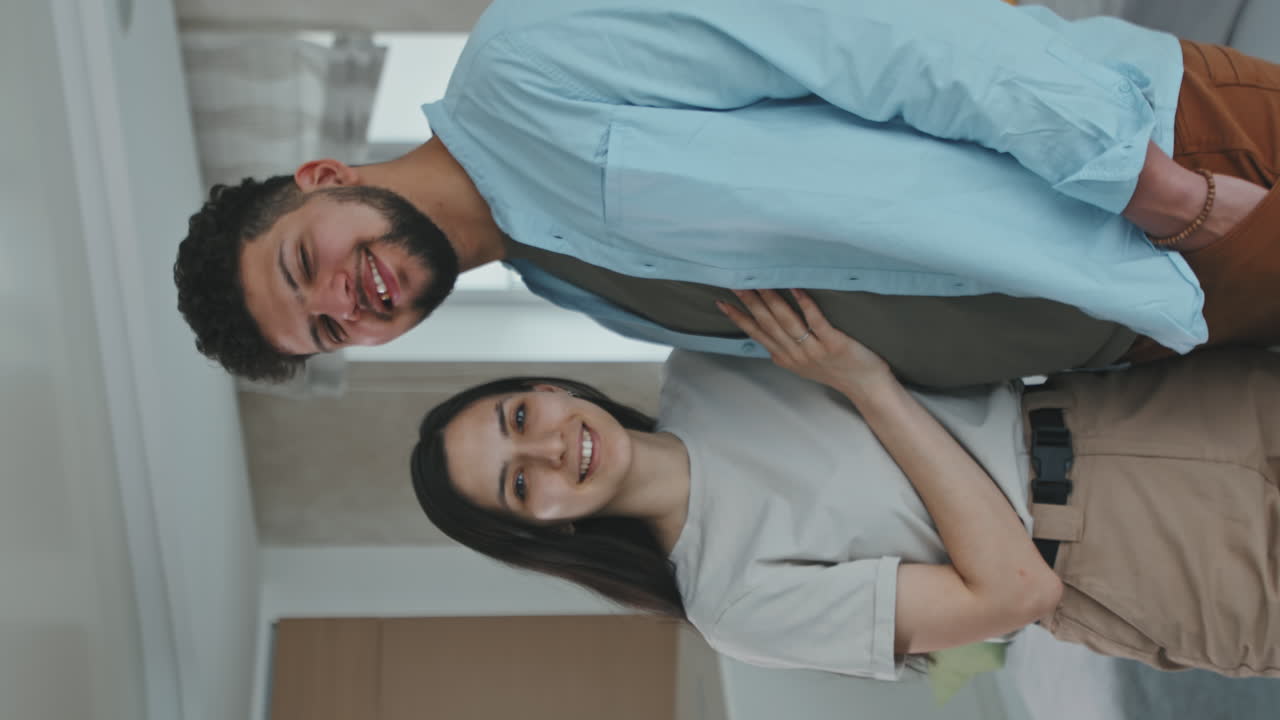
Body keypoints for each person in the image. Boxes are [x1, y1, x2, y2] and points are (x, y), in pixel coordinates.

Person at [174, 0, 1280, 386]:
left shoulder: (525, 60)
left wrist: (1155, 190)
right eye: (324, 332)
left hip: (1165, 172)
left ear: (323, 179)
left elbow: (881, 37)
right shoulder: (564, 286)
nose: (345, 298)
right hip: (1139, 323)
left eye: (302, 264)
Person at [411, 288, 1280, 679]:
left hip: (1131, 406)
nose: (552, 451)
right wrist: (866, 387)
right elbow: (1014, 591)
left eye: (520, 418)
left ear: (549, 389)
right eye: (521, 487)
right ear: (548, 530)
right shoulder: (731, 601)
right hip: (1132, 560)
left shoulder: (711, 355)